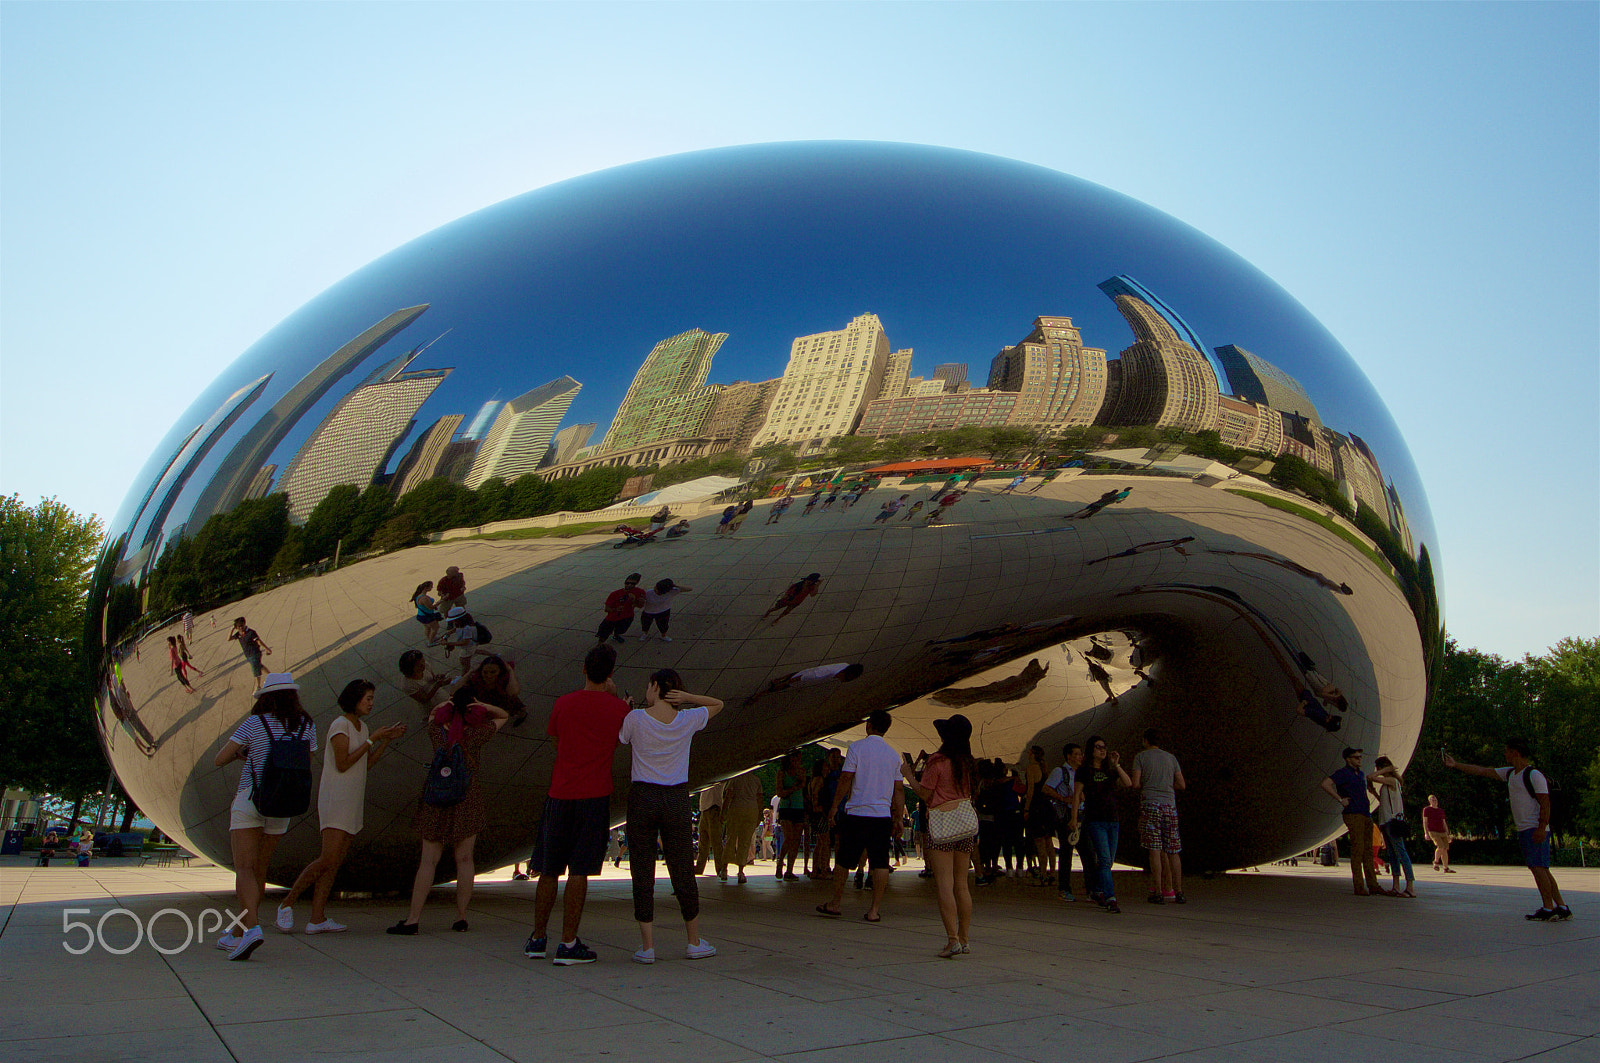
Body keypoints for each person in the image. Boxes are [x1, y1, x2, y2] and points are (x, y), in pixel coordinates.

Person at [526, 644, 632, 964]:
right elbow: (621, 740)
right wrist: (617, 702)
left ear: (583, 670)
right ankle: (569, 942)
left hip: (560, 793)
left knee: (548, 869)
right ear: (611, 674)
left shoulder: (563, 703)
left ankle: (538, 937)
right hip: (594, 795)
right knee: (580, 870)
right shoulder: (619, 711)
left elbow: (557, 740)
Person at [277, 679, 405, 933]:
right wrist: (373, 739)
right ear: (355, 699)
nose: (371, 703)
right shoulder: (340, 725)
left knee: (333, 863)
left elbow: (365, 765)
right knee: (327, 858)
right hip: (336, 799)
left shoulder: (363, 727)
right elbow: (343, 763)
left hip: (352, 800)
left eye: (371, 698)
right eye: (367, 698)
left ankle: (317, 918)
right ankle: (287, 903)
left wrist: (385, 740)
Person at [618, 668, 725, 963]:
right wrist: (689, 698)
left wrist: (627, 708)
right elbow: (718, 705)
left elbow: (623, 739)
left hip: (642, 795)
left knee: (642, 868)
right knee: (682, 868)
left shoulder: (636, 718)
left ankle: (648, 945)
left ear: (654, 686)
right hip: (676, 796)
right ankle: (693, 941)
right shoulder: (688, 719)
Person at [212, 672, 318, 959]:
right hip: (283, 805)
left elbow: (219, 759)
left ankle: (252, 930)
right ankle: (236, 932)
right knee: (260, 869)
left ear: (266, 697)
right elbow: (305, 762)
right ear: (293, 696)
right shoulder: (306, 726)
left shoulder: (254, 723)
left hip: (251, 799)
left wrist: (244, 755)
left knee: (244, 868)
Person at [389, 686, 510, 935]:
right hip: (467, 798)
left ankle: (413, 919)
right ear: (471, 707)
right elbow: (503, 716)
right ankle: (461, 917)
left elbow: (433, 714)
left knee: (428, 861)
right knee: (465, 860)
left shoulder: (436, 732)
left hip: (436, 798)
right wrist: (483, 706)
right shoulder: (477, 734)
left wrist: (447, 705)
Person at [1444, 740, 1571, 921]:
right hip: (1526, 828)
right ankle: (1562, 907)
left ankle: (1548, 908)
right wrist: (1456, 765)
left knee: (1537, 868)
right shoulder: (1511, 773)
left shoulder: (1534, 775)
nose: (1505, 754)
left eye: (1507, 751)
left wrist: (1542, 827)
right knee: (1542, 868)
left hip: (1534, 828)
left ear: (1516, 753)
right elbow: (1483, 771)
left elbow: (1545, 803)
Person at [816, 710, 904, 923]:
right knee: (880, 862)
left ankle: (836, 903)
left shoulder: (856, 748)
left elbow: (846, 778)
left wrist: (835, 806)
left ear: (868, 726)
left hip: (857, 812)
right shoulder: (893, 755)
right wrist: (898, 817)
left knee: (844, 860)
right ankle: (874, 910)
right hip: (881, 816)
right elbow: (899, 790)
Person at [901, 714, 977, 958]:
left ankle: (952, 939)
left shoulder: (937, 761)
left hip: (942, 826)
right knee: (962, 885)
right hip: (964, 825)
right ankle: (964, 939)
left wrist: (909, 775)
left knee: (945, 884)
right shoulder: (968, 763)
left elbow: (925, 794)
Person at [1069, 735, 1131, 913]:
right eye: (1098, 747)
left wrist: (1116, 764)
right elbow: (1076, 795)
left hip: (1113, 820)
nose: (1102, 750)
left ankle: (1096, 889)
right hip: (1095, 820)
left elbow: (1128, 783)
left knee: (1108, 860)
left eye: (1104, 747)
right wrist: (1074, 818)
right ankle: (1110, 897)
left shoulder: (1109, 772)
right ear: (1091, 750)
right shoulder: (1084, 771)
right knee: (1104, 859)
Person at [1130, 729, 1187, 904]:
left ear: (1145, 741)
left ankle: (1158, 891)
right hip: (1169, 805)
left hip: (1150, 805)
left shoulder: (1141, 757)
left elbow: (1136, 783)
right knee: (1173, 850)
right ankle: (1178, 892)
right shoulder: (1171, 758)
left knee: (1154, 849)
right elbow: (1181, 784)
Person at [1319, 747, 1382, 897]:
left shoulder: (1360, 774)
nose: (1360, 759)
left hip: (1365, 813)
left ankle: (1373, 885)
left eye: (1360, 757)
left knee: (1368, 851)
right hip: (1353, 813)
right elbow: (1325, 784)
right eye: (1356, 757)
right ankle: (1359, 886)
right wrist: (1340, 799)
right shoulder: (1343, 773)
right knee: (1358, 849)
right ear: (1348, 759)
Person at [1045, 742, 1097, 902]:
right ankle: (1064, 888)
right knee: (1066, 851)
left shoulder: (1082, 772)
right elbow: (1047, 788)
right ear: (1069, 756)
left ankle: (1091, 888)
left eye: (1081, 754)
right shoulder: (1060, 771)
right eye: (1077, 754)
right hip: (1067, 815)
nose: (1080, 757)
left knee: (1088, 852)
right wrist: (1063, 798)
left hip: (1081, 813)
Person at [1368, 755, 1415, 898]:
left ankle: (1410, 886)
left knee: (1401, 852)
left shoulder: (1392, 781)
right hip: (1386, 821)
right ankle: (1396, 885)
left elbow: (1371, 776)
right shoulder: (1388, 784)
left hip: (1392, 821)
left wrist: (1383, 771)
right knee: (1393, 854)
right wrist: (1374, 793)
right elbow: (1385, 803)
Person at [1022, 745, 1056, 887]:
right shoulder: (1044, 768)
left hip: (1036, 808)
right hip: (1046, 807)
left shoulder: (1031, 769)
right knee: (1049, 842)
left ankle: (1042, 874)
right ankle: (1052, 873)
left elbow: (1030, 790)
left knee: (1039, 842)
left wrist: (1026, 809)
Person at [463, 654, 526, 726]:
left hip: (504, 700)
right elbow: (453, 691)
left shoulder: (504, 679)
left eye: (493, 672)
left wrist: (510, 670)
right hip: (488, 701)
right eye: (485, 672)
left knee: (517, 710)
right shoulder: (477, 679)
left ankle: (522, 715)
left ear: (500, 671)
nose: (489, 676)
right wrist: (470, 672)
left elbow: (513, 692)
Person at [723, 768, 762, 884]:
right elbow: (759, 799)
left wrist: (723, 812)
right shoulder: (756, 780)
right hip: (751, 810)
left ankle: (724, 869)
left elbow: (728, 796)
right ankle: (740, 871)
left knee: (730, 839)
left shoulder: (735, 779)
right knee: (745, 842)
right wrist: (758, 816)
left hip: (736, 808)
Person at [774, 751, 807, 881]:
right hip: (786, 808)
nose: (797, 761)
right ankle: (780, 861)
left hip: (798, 807)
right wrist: (792, 789)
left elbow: (802, 783)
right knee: (789, 837)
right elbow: (779, 792)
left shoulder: (801, 771)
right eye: (794, 759)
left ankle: (790, 870)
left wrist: (790, 790)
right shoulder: (781, 773)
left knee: (796, 840)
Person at [399, 649, 458, 717]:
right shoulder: (408, 684)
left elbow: (432, 677)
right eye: (419, 665)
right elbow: (424, 699)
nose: (423, 665)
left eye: (423, 661)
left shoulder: (426, 666)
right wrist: (438, 685)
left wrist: (438, 678)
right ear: (410, 668)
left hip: (440, 695)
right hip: (431, 704)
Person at [597, 573, 647, 644]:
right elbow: (607, 609)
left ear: (636, 583)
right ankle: (599, 646)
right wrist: (616, 609)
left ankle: (616, 635)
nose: (629, 585)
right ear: (624, 582)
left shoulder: (640, 592)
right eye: (627, 583)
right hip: (612, 618)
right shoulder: (615, 594)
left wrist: (635, 600)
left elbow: (640, 606)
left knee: (621, 630)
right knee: (603, 634)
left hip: (627, 617)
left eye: (632, 584)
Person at [639, 578, 691, 642]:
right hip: (649, 611)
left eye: (657, 590)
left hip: (663, 611)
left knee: (663, 625)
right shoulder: (648, 592)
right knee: (645, 624)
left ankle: (663, 635)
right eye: (656, 588)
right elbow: (642, 601)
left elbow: (689, 589)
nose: (655, 590)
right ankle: (645, 634)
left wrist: (675, 586)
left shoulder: (672, 592)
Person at [227, 617, 272, 691]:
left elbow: (259, 641)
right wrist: (231, 629)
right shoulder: (238, 634)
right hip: (248, 655)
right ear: (236, 627)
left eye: (242, 625)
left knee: (255, 669)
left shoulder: (251, 632)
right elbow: (228, 639)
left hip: (255, 653)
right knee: (259, 666)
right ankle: (271, 676)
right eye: (239, 626)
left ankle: (257, 687)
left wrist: (266, 648)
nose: (241, 628)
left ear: (244, 624)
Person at [695, 781, 728, 880]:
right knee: (703, 842)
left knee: (716, 842)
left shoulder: (718, 780)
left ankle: (721, 869)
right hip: (704, 810)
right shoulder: (706, 780)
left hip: (714, 808)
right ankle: (699, 868)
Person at [1422, 794, 1454, 872]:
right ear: (1429, 801)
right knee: (1441, 846)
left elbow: (1444, 823)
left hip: (1442, 831)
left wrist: (1447, 834)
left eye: (1435, 800)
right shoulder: (1427, 809)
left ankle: (1446, 868)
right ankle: (1436, 862)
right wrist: (1426, 833)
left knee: (1445, 849)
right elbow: (1425, 822)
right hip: (1433, 831)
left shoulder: (1440, 811)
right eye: (1432, 800)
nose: (1435, 801)